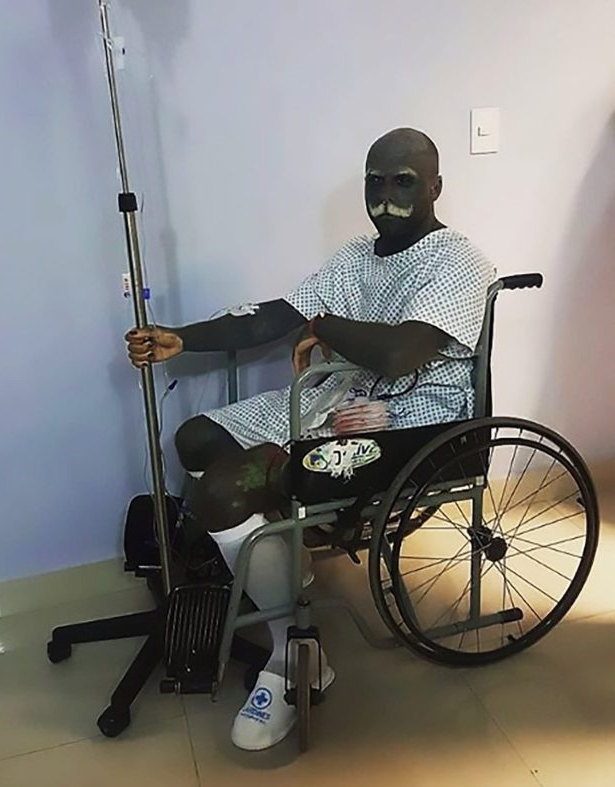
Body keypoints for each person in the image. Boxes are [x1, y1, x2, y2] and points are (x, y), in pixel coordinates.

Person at [126, 128, 495, 750]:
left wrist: (322, 326)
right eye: (374, 181)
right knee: (197, 437)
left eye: (403, 181)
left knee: (222, 491)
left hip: (407, 425)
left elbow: (400, 354)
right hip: (339, 402)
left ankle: (291, 652)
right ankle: (278, 567)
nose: (385, 195)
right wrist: (182, 337)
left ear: (436, 187)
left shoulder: (459, 261)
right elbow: (278, 314)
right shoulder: (356, 256)